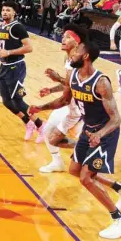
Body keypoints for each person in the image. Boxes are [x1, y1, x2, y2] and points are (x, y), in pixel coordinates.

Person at [29, 40, 121, 239]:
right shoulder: (72, 75)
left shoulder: (101, 82)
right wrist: (40, 108)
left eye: (77, 50)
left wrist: (99, 134)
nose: (72, 54)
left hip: (105, 133)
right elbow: (63, 100)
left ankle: (120, 220)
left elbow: (116, 119)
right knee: (74, 170)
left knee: (86, 178)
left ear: (86, 56)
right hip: (89, 130)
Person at [37, 24, 87, 173]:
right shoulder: (68, 57)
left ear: (77, 42)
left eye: (68, 37)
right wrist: (51, 89)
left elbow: (77, 85)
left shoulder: (81, 60)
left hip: (77, 106)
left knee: (52, 136)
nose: (63, 38)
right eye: (63, 36)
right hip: (68, 102)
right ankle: (58, 162)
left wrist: (58, 78)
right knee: (47, 132)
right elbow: (68, 83)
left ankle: (85, 147)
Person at [0, 1, 45, 141]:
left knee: (18, 101)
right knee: (6, 101)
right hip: (5, 67)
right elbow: (2, 45)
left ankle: (41, 126)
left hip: (16, 67)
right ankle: (28, 123)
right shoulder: (1, 26)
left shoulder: (17, 27)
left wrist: (9, 52)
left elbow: (29, 48)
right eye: (3, 10)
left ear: (14, 13)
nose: (5, 12)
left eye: (8, 10)